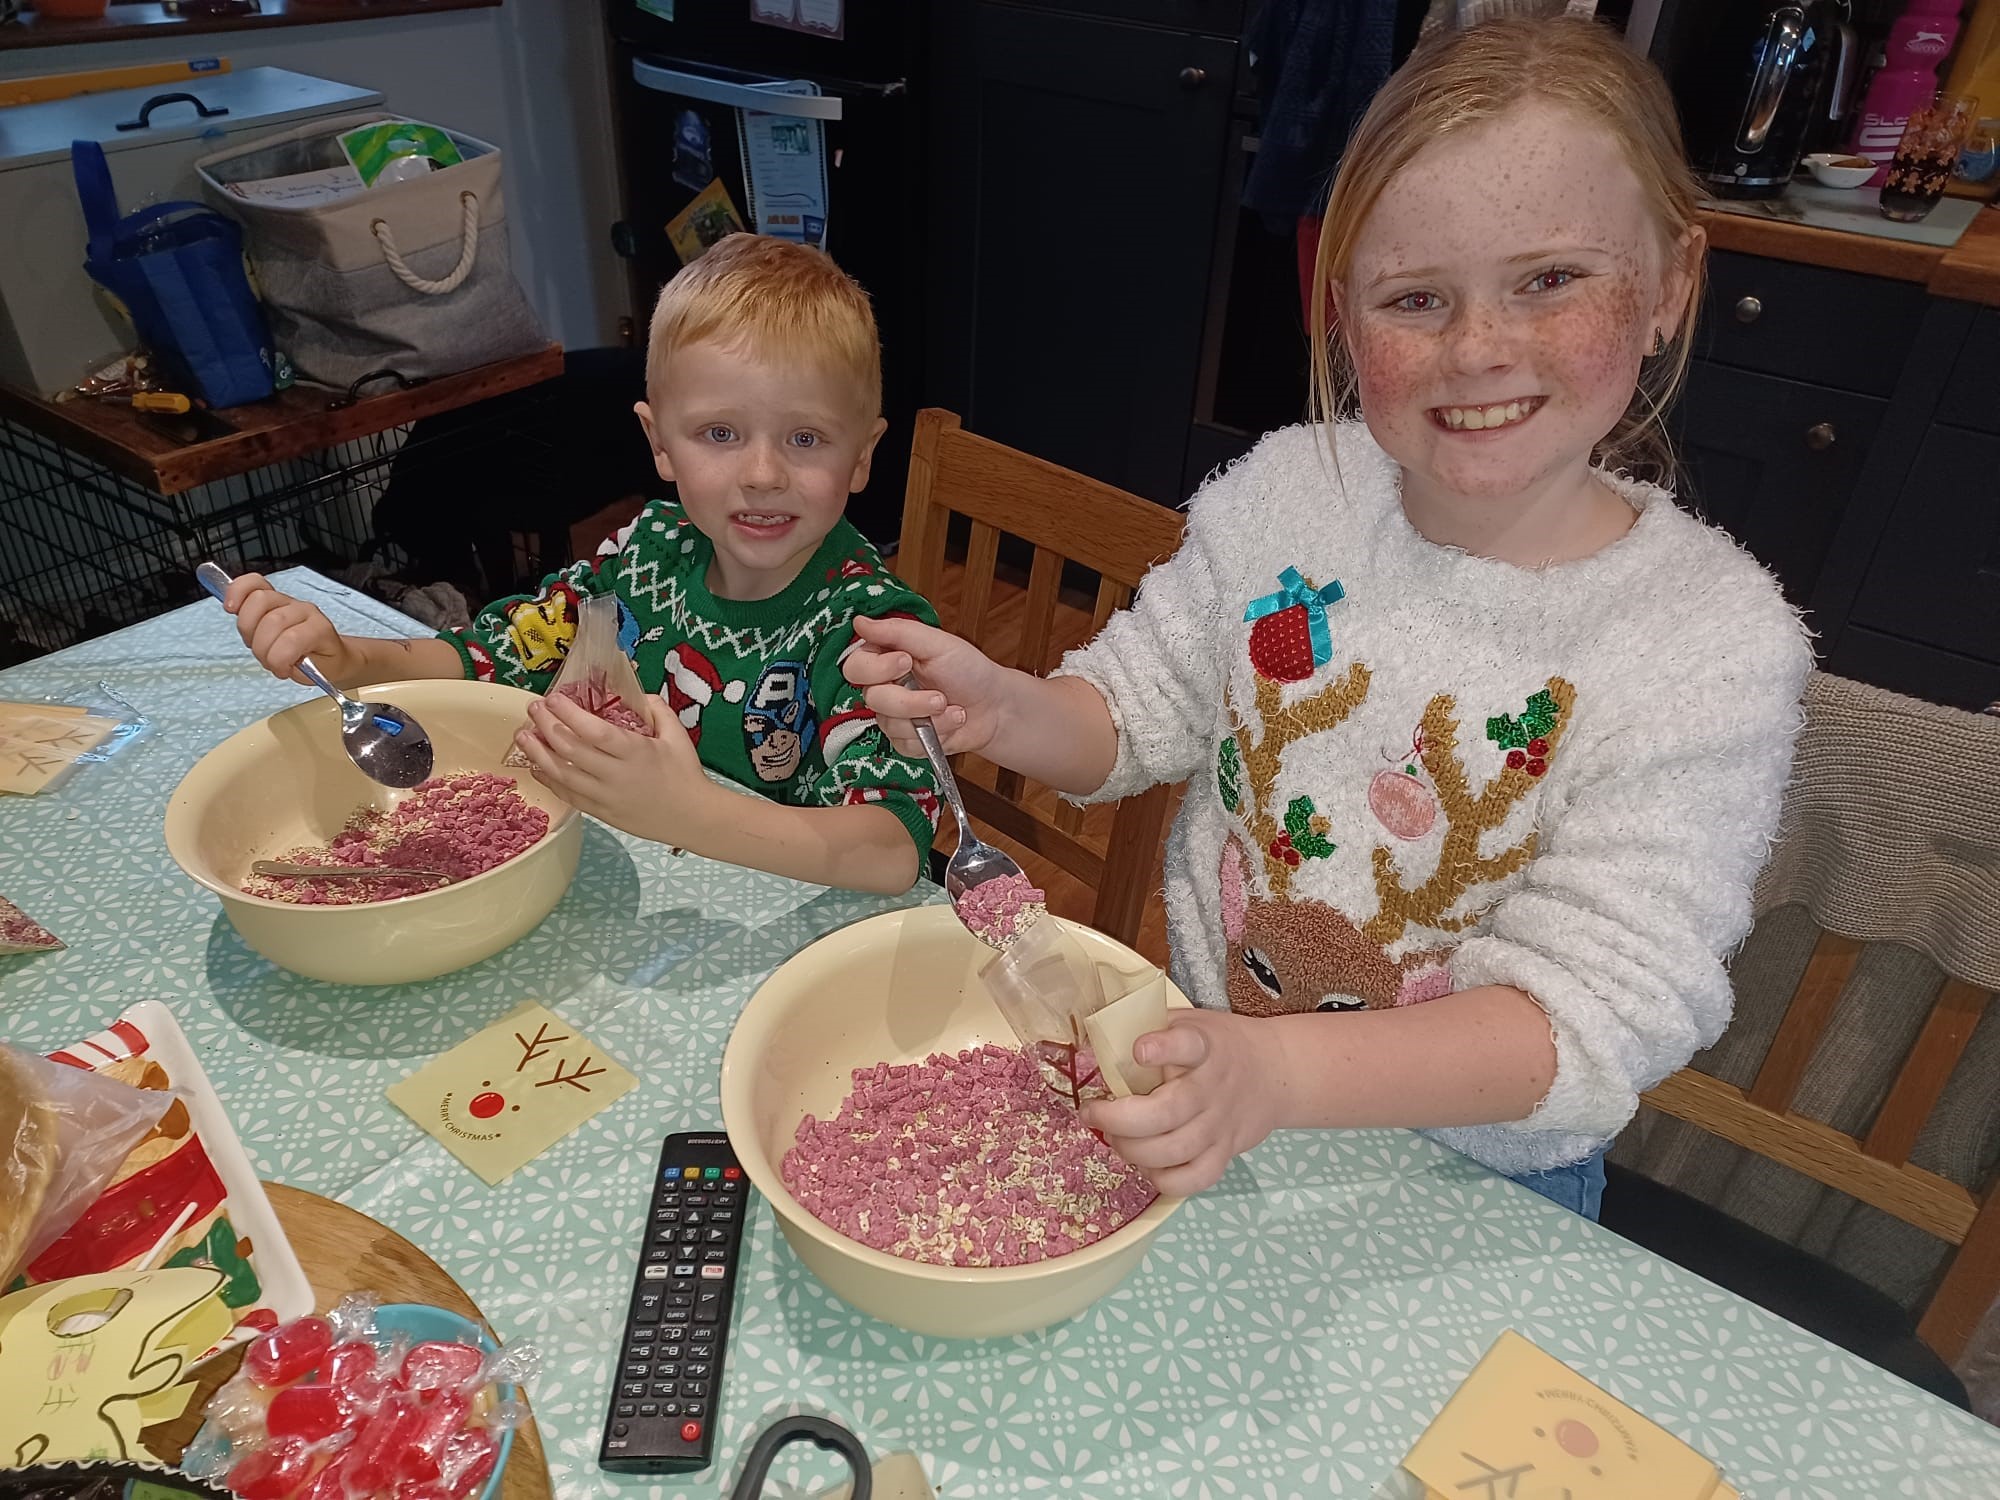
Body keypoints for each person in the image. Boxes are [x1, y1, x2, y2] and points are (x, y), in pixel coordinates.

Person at [845, 18, 1813, 1217]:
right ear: (1341, 314)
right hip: (1213, 1090)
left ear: (1669, 284)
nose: (1476, 348)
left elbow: (1588, 1017)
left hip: (1475, 1183)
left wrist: (1278, 1072)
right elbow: (1134, 716)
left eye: (1549, 279)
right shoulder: (1288, 500)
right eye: (1415, 299)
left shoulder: (1705, 644)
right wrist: (1008, 706)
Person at [222, 234, 940, 895]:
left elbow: (893, 850)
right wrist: (351, 659)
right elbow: (494, 657)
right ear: (659, 443)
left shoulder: (873, 635)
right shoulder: (642, 554)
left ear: (863, 456)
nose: (762, 473)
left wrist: (690, 814)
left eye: (806, 438)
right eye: (719, 432)